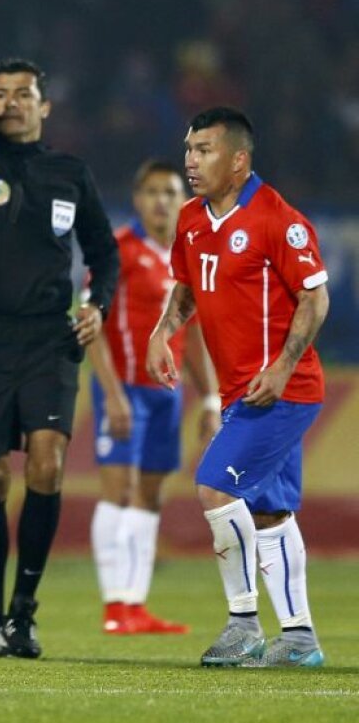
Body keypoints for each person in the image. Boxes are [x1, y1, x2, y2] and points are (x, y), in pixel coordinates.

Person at [0, 0, 119, 659]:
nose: (8, 104)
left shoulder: (70, 172)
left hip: (49, 338)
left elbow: (105, 253)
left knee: (47, 465)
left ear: (45, 105)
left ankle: (24, 612)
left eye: (21, 94)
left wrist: (98, 305)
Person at [147, 107, 329, 668]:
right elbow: (186, 288)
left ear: (238, 159)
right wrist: (161, 334)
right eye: (189, 149)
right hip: (238, 393)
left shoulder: (278, 219)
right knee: (271, 513)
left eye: (204, 150)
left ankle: (243, 626)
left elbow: (314, 297)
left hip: (281, 390)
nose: (190, 160)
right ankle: (299, 638)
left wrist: (279, 368)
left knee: (213, 488)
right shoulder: (192, 220)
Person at [88, 159, 220, 635]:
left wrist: (210, 401)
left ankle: (136, 605)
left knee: (149, 495)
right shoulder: (118, 251)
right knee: (118, 492)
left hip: (166, 396)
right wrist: (111, 394)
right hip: (122, 390)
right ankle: (113, 606)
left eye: (170, 192)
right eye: (151, 192)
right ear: (137, 200)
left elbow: (196, 336)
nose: (161, 201)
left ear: (183, 200)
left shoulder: (190, 259)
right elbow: (92, 327)